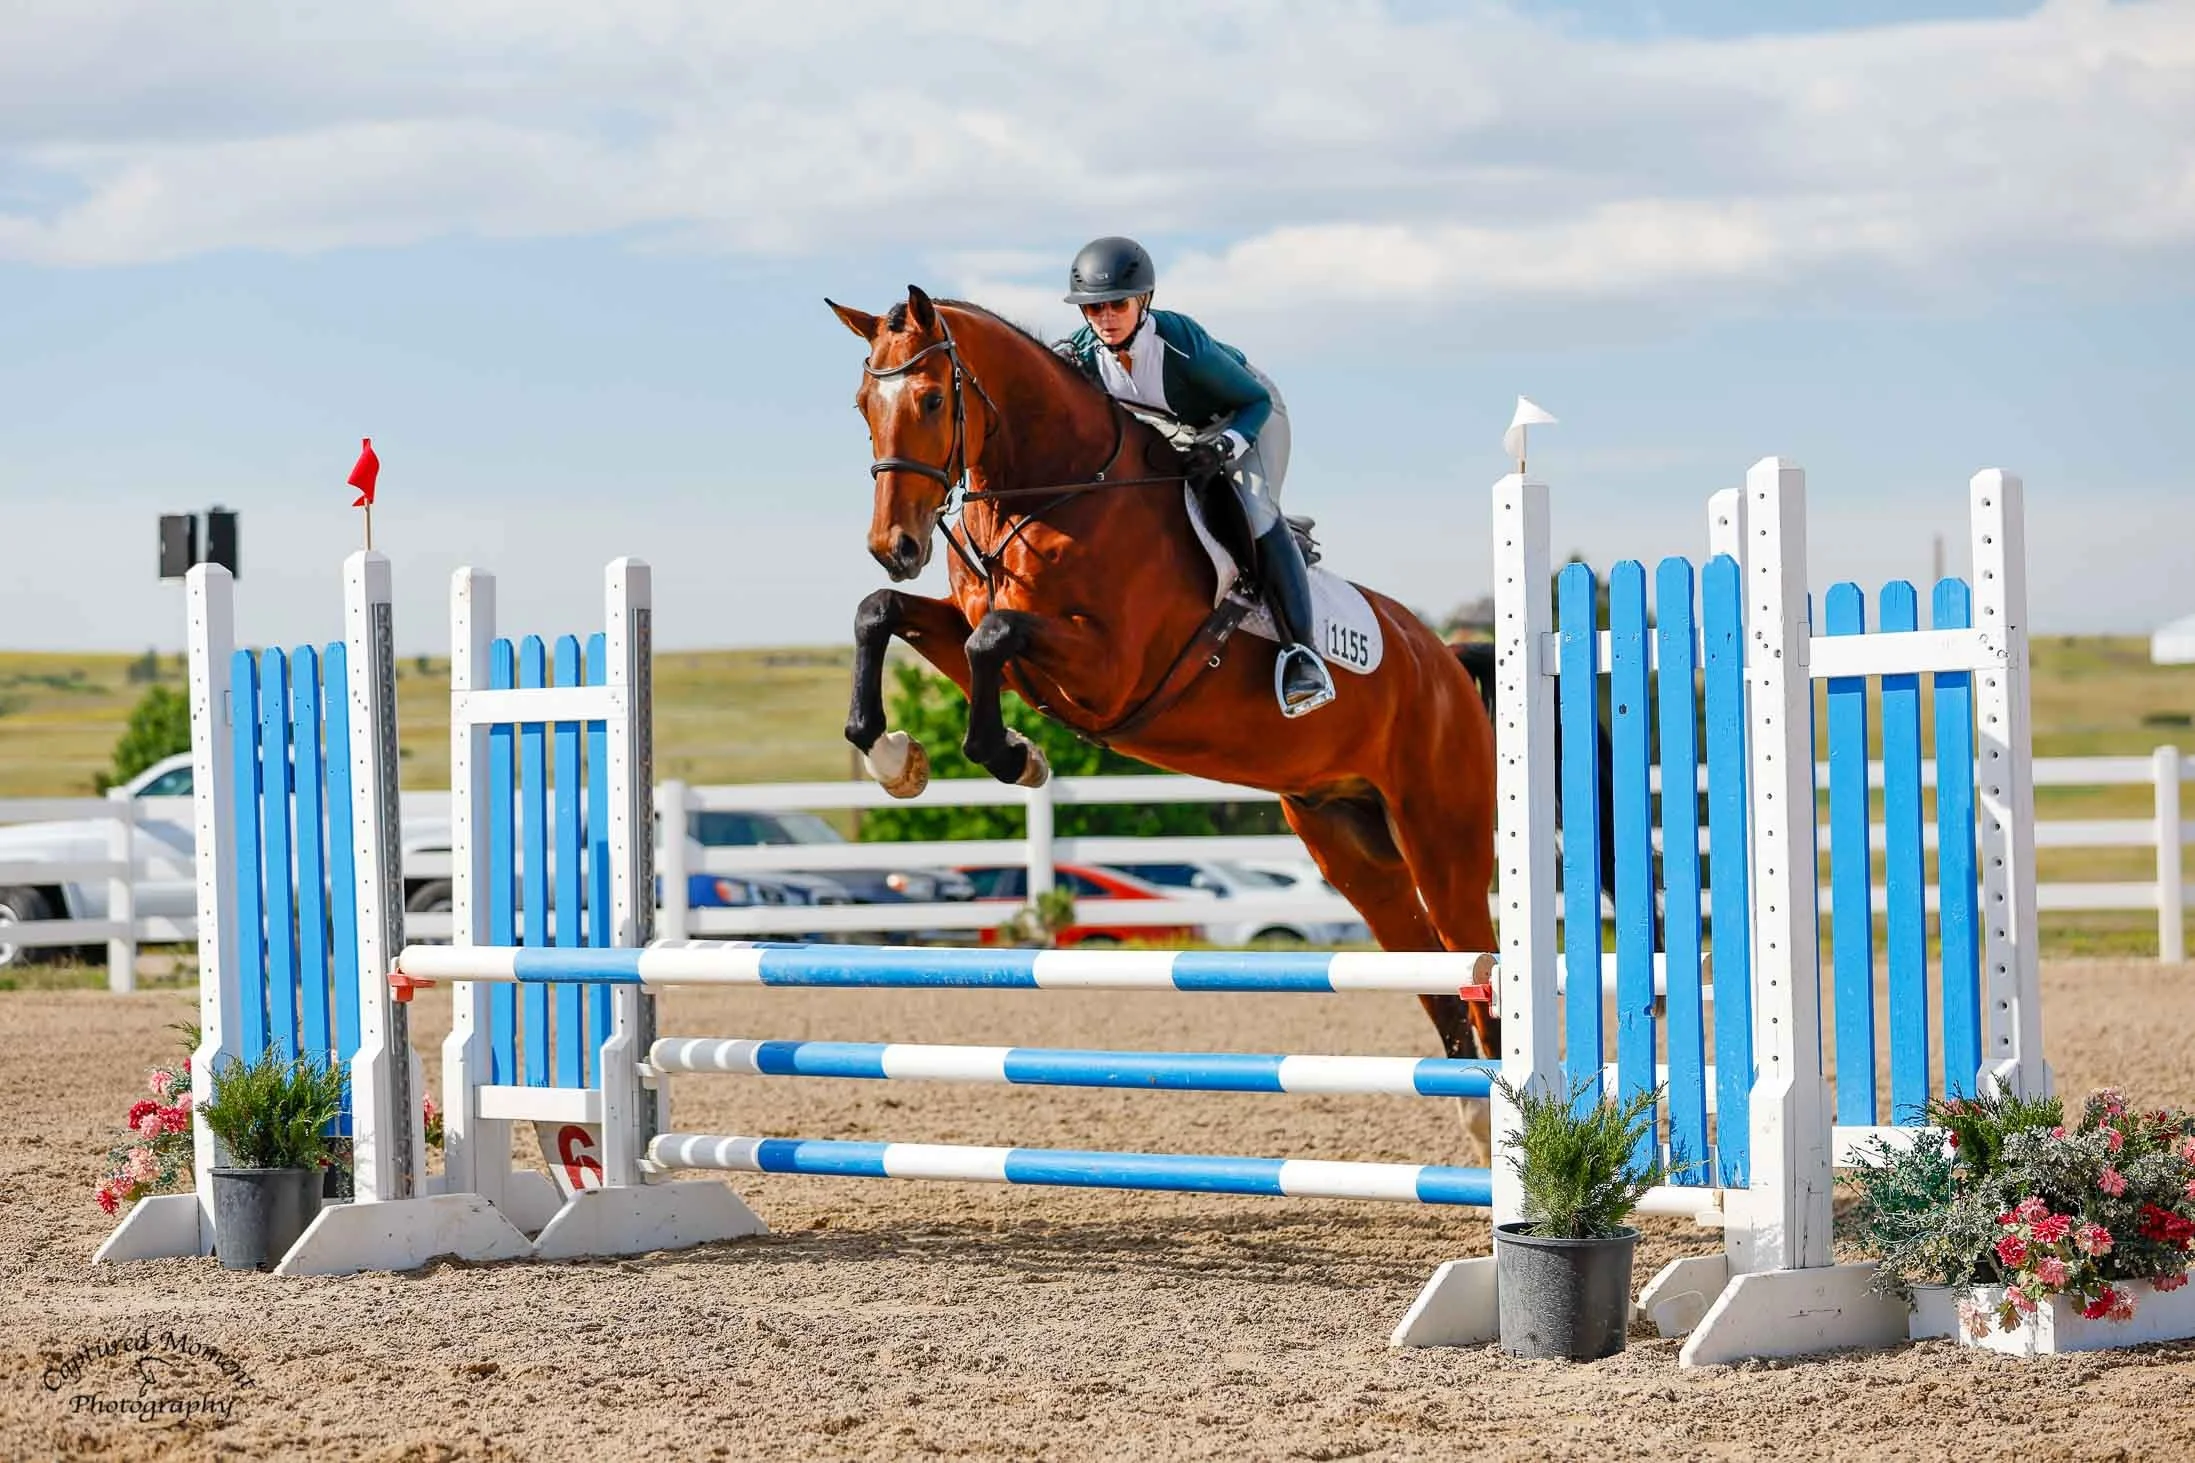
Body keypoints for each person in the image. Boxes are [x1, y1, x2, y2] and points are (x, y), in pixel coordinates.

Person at [1055, 236, 1336, 719]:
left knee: (1253, 506)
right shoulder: (1085, 352)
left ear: (1143, 301)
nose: (1105, 318)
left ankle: (1302, 656)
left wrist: (1228, 446)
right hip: (1180, 424)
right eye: (1093, 308)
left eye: (1116, 304)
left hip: (1246, 416)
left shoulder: (1179, 342)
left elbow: (1254, 402)